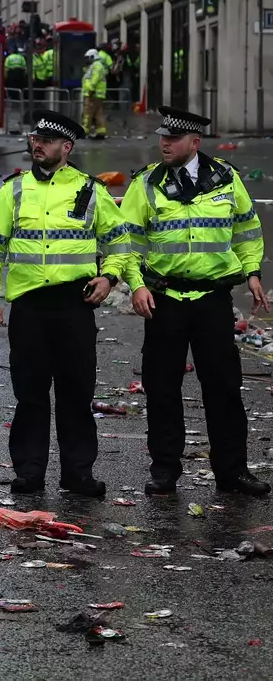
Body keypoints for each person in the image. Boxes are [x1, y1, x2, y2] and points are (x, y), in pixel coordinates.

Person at [0, 109, 136, 496]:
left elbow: (119, 241)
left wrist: (110, 277)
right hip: (29, 306)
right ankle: (29, 472)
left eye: (46, 141)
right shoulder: (14, 190)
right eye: (36, 139)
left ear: (66, 147)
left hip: (74, 305)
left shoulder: (91, 190)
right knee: (29, 393)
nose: (38, 145)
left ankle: (77, 474)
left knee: (76, 393)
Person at [120, 107, 270, 496]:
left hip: (212, 300)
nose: (164, 144)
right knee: (162, 388)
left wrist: (253, 272)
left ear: (195, 142)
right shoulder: (147, 182)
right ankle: (164, 471)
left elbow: (247, 229)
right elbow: (128, 241)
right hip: (164, 298)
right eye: (163, 137)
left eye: (173, 139)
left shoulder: (225, 178)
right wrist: (136, 285)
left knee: (224, 387)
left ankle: (233, 472)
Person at [80, 48, 108, 140]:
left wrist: (90, 91)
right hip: (97, 94)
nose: (87, 60)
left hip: (93, 94)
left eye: (88, 58)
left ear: (93, 57)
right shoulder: (95, 66)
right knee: (98, 113)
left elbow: (94, 80)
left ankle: (84, 131)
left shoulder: (96, 66)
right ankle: (101, 131)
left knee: (88, 113)